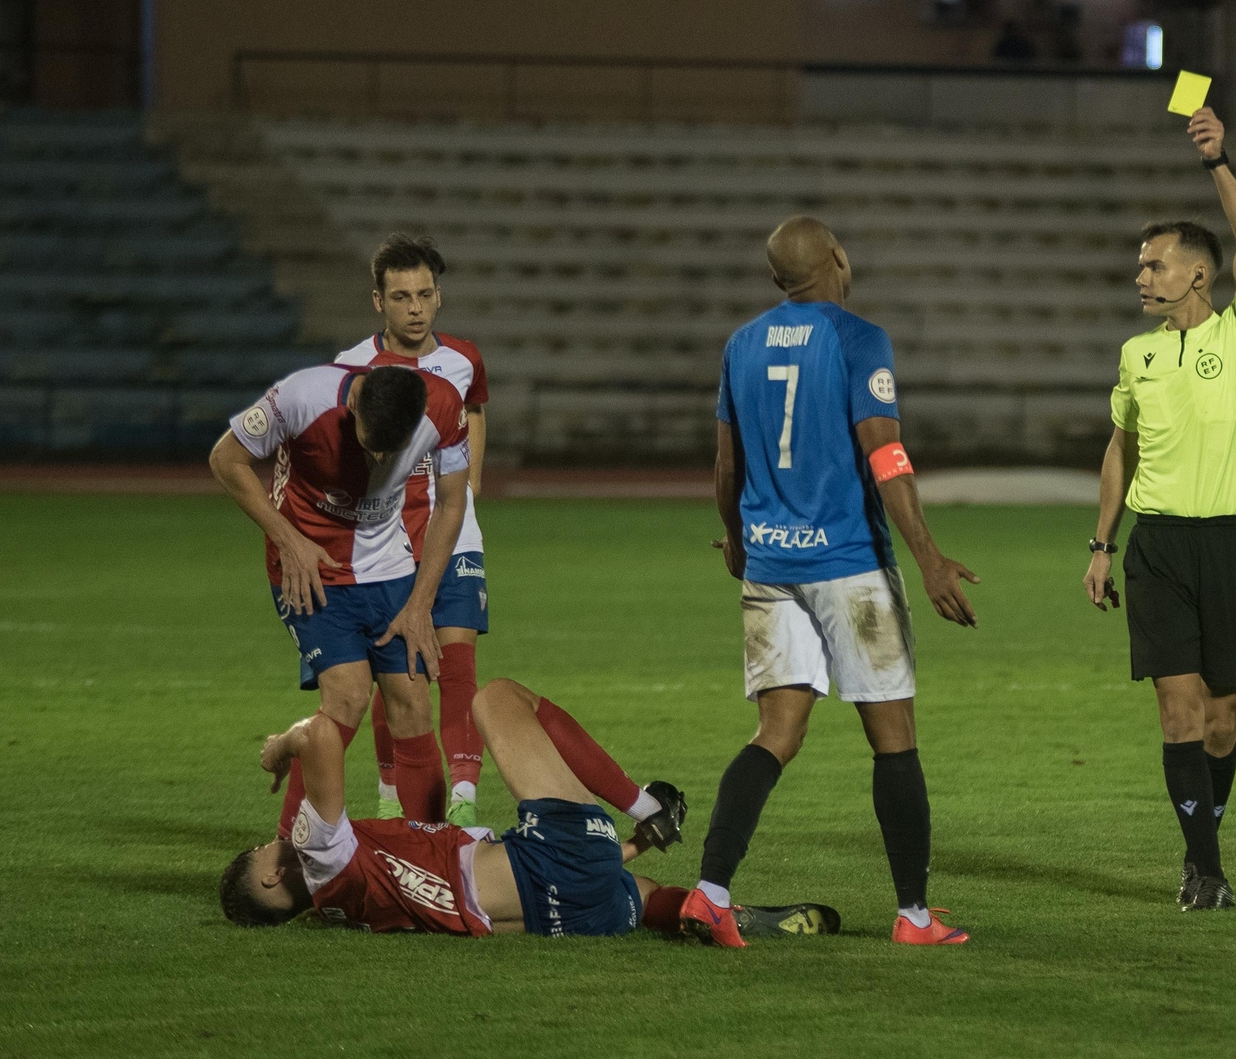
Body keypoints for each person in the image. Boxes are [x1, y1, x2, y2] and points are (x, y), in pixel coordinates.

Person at [682, 215, 979, 947]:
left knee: (775, 733)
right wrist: (930, 558)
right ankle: (913, 917)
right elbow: (886, 457)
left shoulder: (741, 345)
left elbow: (727, 466)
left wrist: (738, 540)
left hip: (772, 566)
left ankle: (711, 893)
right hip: (850, 569)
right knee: (894, 737)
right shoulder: (857, 339)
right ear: (837, 260)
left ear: (776, 278)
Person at [221, 679, 838, 940]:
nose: (266, 845)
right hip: (550, 864)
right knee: (496, 699)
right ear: (271, 875)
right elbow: (323, 736)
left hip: (558, 911)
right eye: (258, 854)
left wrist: (630, 847)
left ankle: (711, 910)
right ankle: (646, 802)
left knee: (636, 888)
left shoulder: (338, 908)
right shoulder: (319, 856)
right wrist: (282, 746)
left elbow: (524, 885)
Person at [1081, 107, 1236, 912]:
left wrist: (1217, 162)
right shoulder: (1138, 354)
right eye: (1139, 266)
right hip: (1156, 547)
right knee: (1178, 708)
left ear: (1198, 273)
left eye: (1155, 265)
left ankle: (1205, 851)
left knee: (1222, 721)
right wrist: (1100, 543)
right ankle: (1205, 871)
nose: (1141, 277)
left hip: (1229, 544)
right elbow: (1119, 448)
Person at [208, 361, 467, 835]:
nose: (383, 462)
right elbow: (226, 460)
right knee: (346, 699)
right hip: (310, 568)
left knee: (412, 703)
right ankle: (292, 854)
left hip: (389, 569)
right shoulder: (301, 397)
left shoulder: (445, 405)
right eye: (374, 447)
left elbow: (452, 504)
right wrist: (287, 540)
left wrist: (419, 606)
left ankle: (433, 858)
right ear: (352, 406)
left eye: (397, 451)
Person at [335, 234, 491, 828]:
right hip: (387, 543)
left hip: (455, 532)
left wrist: (470, 482)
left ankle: (465, 800)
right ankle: (391, 793)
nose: (416, 308)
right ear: (378, 301)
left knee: (456, 662)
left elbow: (474, 410)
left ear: (439, 295)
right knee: (400, 669)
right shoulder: (354, 367)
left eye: (425, 294)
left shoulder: (464, 357)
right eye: (401, 297)